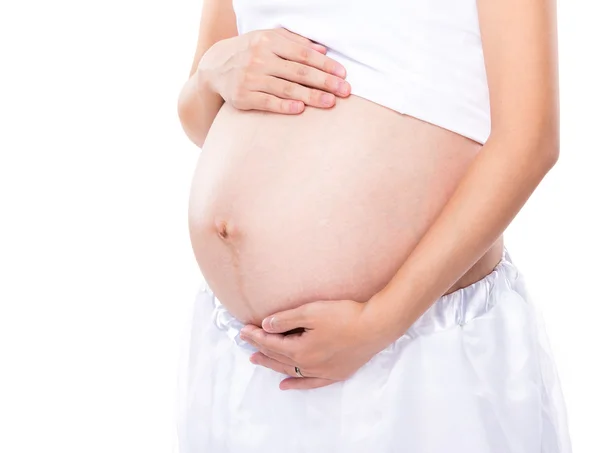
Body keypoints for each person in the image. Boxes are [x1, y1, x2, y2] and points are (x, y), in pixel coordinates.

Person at [176, 0, 572, 451]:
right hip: (247, 361)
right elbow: (198, 117)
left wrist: (381, 321)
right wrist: (213, 72)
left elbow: (530, 139)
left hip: (411, 348)